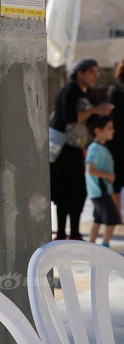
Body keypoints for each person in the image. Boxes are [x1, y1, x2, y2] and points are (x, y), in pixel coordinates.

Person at [50, 58, 113, 240]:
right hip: (64, 149)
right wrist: (95, 110)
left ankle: (71, 232)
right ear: (80, 73)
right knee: (70, 191)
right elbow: (69, 116)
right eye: (92, 72)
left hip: (74, 148)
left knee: (73, 192)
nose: (96, 76)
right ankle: (65, 233)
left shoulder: (83, 92)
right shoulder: (70, 90)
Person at [85, 116, 121, 248]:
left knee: (98, 220)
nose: (113, 131)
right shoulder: (95, 148)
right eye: (109, 128)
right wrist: (108, 176)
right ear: (98, 131)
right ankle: (104, 247)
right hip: (101, 192)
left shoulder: (100, 148)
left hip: (100, 192)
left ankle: (90, 246)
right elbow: (90, 169)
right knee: (112, 220)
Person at [107, 59, 124, 217]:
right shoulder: (116, 91)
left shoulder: (114, 91)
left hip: (115, 142)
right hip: (117, 142)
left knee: (116, 181)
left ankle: (118, 215)